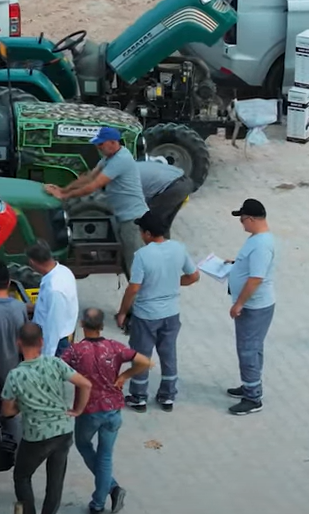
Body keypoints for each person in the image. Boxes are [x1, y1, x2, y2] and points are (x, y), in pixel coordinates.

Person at [1, 322, 93, 514]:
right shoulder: (55, 363)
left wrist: (21, 405)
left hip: (36, 436)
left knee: (22, 477)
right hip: (62, 431)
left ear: (18, 344)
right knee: (55, 480)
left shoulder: (15, 375)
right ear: (42, 342)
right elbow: (85, 384)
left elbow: (7, 412)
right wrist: (77, 410)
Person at [61, 308, 152, 514]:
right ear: (102, 326)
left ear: (82, 324)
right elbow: (146, 361)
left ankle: (110, 490)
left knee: (84, 445)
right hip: (113, 410)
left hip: (89, 410)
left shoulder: (75, 350)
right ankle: (99, 503)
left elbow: (58, 368)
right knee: (106, 456)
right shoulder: (114, 347)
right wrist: (124, 376)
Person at [117, 211, 199, 412]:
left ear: (146, 233)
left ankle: (138, 396)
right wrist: (171, 282)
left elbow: (134, 288)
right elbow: (194, 276)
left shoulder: (142, 255)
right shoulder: (179, 248)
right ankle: (167, 396)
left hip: (146, 315)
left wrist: (122, 312)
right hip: (171, 313)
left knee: (141, 355)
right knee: (168, 354)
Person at [43, 127, 148, 276]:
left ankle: (142, 297)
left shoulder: (121, 159)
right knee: (126, 261)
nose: (97, 147)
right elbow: (88, 177)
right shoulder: (108, 158)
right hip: (122, 215)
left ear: (113, 143)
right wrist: (63, 190)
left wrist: (65, 196)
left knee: (135, 264)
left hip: (133, 219)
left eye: (101, 144)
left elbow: (93, 186)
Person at [225, 198, 277, 416]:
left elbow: (256, 278)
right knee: (252, 347)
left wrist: (239, 303)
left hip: (254, 307)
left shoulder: (262, 245)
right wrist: (236, 266)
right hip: (254, 305)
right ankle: (250, 385)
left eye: (243, 219)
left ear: (252, 219)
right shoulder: (257, 239)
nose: (241, 223)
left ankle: (253, 397)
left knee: (247, 350)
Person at [25, 242, 79, 357]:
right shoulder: (64, 271)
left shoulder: (54, 289)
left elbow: (53, 328)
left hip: (57, 344)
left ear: (32, 262)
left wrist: (46, 358)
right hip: (62, 335)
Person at [137, 159, 193, 234]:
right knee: (164, 223)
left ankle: (156, 242)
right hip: (185, 181)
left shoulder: (126, 177)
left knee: (152, 222)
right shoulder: (137, 165)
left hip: (173, 188)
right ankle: (165, 243)